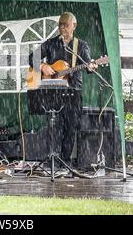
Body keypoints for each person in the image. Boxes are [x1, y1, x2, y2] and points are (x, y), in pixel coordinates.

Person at [28, 12, 98, 166]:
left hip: (74, 91)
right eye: (60, 24)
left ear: (74, 25)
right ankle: (52, 160)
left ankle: (65, 162)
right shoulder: (51, 43)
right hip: (53, 91)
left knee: (71, 127)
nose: (62, 28)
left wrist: (92, 66)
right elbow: (31, 57)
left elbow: (88, 64)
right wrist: (43, 66)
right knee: (54, 126)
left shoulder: (81, 45)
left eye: (65, 25)